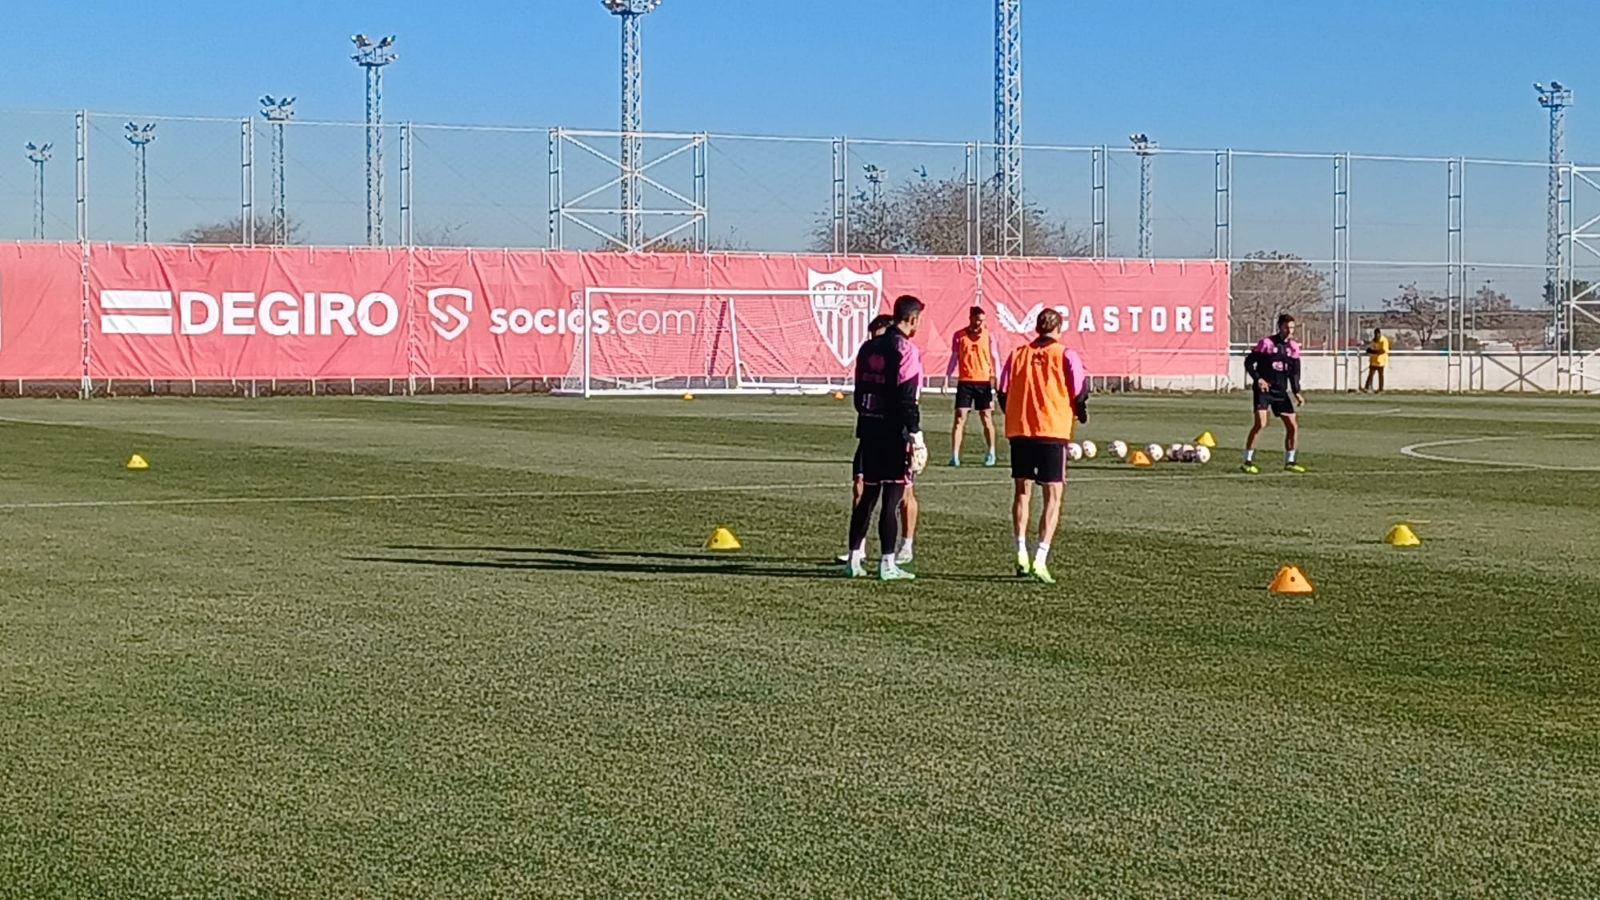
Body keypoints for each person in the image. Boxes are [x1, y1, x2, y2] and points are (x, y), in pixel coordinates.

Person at [997, 307, 1087, 585]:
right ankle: (1040, 558)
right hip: (1051, 430)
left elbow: (1001, 390)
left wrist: (1013, 413)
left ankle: (1020, 551)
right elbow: (1080, 389)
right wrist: (1080, 412)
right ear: (1058, 329)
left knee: (1022, 493)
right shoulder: (1065, 354)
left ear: (1037, 328)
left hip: (1020, 429)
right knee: (1053, 496)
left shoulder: (1018, 354)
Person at [846, 295, 927, 581]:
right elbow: (907, 398)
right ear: (913, 319)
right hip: (894, 432)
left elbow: (858, 393)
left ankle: (854, 559)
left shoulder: (868, 347)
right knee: (892, 497)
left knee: (867, 496)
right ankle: (887, 563)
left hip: (868, 428)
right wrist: (915, 434)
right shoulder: (906, 349)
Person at [1242, 313, 1306, 474]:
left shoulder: (1293, 348)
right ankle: (1247, 461)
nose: (1289, 331)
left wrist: (1296, 392)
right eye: (1287, 327)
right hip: (1264, 390)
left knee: (1292, 426)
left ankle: (1290, 462)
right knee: (1260, 424)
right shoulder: (1267, 344)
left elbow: (1294, 373)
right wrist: (1258, 379)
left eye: (1292, 328)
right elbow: (1249, 363)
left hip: (1280, 392)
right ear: (1280, 327)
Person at [945, 305, 1000, 468]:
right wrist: (947, 376)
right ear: (971, 319)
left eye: (982, 321)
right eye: (977, 320)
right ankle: (954, 455)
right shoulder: (959, 336)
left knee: (986, 417)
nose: (980, 324)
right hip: (965, 382)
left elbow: (994, 357)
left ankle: (991, 452)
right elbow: (954, 357)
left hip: (983, 382)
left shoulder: (989, 336)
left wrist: (996, 378)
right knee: (959, 417)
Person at [1363, 327, 1390, 393]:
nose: (1376, 336)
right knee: (1371, 374)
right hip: (1373, 360)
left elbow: (1383, 351)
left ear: (1379, 334)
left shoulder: (1383, 340)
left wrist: (1373, 352)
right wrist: (1369, 350)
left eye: (1377, 334)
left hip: (1380, 361)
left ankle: (1380, 388)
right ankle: (1367, 387)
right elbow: (1370, 348)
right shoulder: (1374, 340)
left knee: (1380, 375)